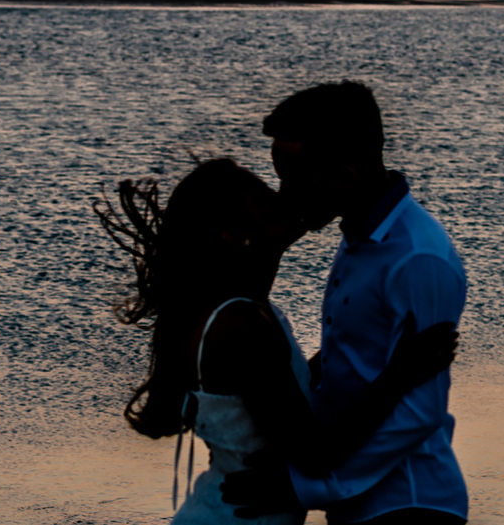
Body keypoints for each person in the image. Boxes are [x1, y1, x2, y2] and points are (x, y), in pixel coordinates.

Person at [95, 157, 458, 525]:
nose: (286, 198)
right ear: (235, 234)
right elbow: (315, 455)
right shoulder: (241, 326)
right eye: (267, 197)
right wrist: (401, 373)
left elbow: (287, 385)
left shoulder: (243, 310)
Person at [222, 81, 469, 525]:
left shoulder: (417, 258)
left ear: (345, 178)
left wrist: (306, 487)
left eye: (292, 180)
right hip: (358, 505)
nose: (282, 196)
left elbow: (420, 410)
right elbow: (352, 362)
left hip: (409, 504)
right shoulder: (359, 238)